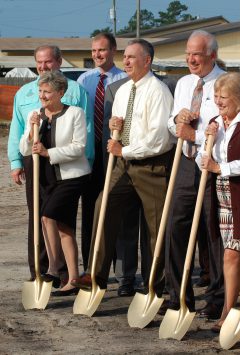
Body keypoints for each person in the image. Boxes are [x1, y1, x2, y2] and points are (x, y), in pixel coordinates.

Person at [72, 39, 175, 295]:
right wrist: (116, 128)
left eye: (132, 57)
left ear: (147, 60)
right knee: (103, 206)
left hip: (151, 166)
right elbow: (119, 127)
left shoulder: (158, 91)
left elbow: (160, 139)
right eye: (125, 57)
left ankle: (155, 285)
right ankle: (96, 275)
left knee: (156, 227)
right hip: (122, 164)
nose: (126, 61)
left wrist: (124, 150)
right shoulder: (123, 90)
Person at [7, 45, 91, 284]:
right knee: (39, 217)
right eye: (39, 63)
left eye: (48, 62)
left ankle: (65, 274)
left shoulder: (76, 92)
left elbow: (83, 136)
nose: (43, 67)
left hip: (67, 168)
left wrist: (87, 163)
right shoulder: (24, 94)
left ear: (59, 61)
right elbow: (17, 131)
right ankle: (41, 271)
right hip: (36, 163)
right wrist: (16, 161)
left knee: (60, 220)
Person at [162, 30, 226, 318]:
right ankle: (178, 295)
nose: (191, 59)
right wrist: (177, 120)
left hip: (214, 164)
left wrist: (196, 134)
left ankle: (217, 298)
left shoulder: (226, 83)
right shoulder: (184, 83)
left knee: (214, 233)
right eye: (188, 53)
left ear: (211, 54)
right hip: (186, 163)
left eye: (196, 54)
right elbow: (173, 122)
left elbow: (227, 132)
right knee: (175, 226)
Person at [77, 33, 141, 297]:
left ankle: (124, 275)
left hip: (119, 153)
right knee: (92, 213)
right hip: (93, 156)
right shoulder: (84, 81)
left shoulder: (125, 81)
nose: (97, 55)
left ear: (113, 50)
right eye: (94, 50)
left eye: (102, 50)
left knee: (123, 214)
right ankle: (92, 270)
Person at [199, 72, 240, 332]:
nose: (218, 101)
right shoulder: (215, 122)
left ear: (237, 98)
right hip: (221, 195)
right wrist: (208, 140)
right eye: (216, 96)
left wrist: (219, 167)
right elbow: (202, 160)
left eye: (223, 97)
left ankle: (228, 310)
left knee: (232, 254)